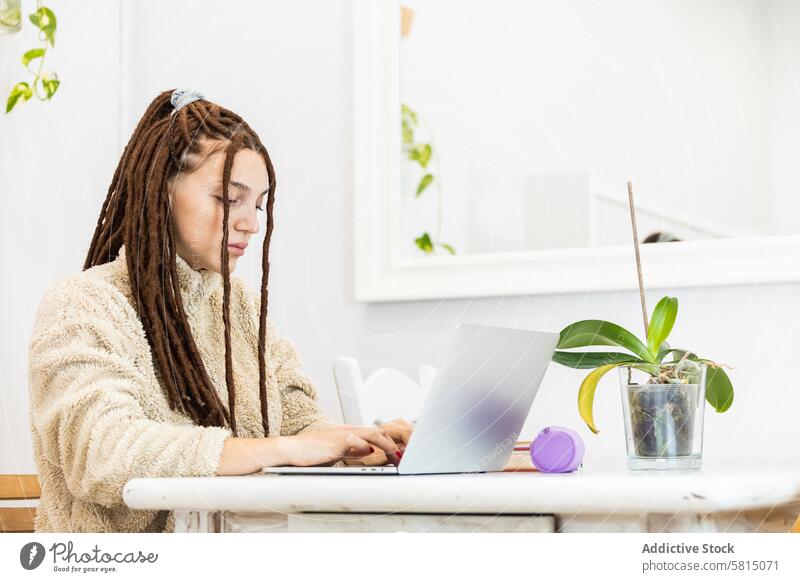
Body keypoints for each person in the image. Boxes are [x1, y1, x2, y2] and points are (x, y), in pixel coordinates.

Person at [27, 89, 412, 533]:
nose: (250, 222)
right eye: (230, 199)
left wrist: (359, 446)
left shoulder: (242, 308)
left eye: (259, 204)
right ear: (161, 190)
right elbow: (102, 453)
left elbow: (300, 422)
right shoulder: (82, 305)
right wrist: (284, 449)